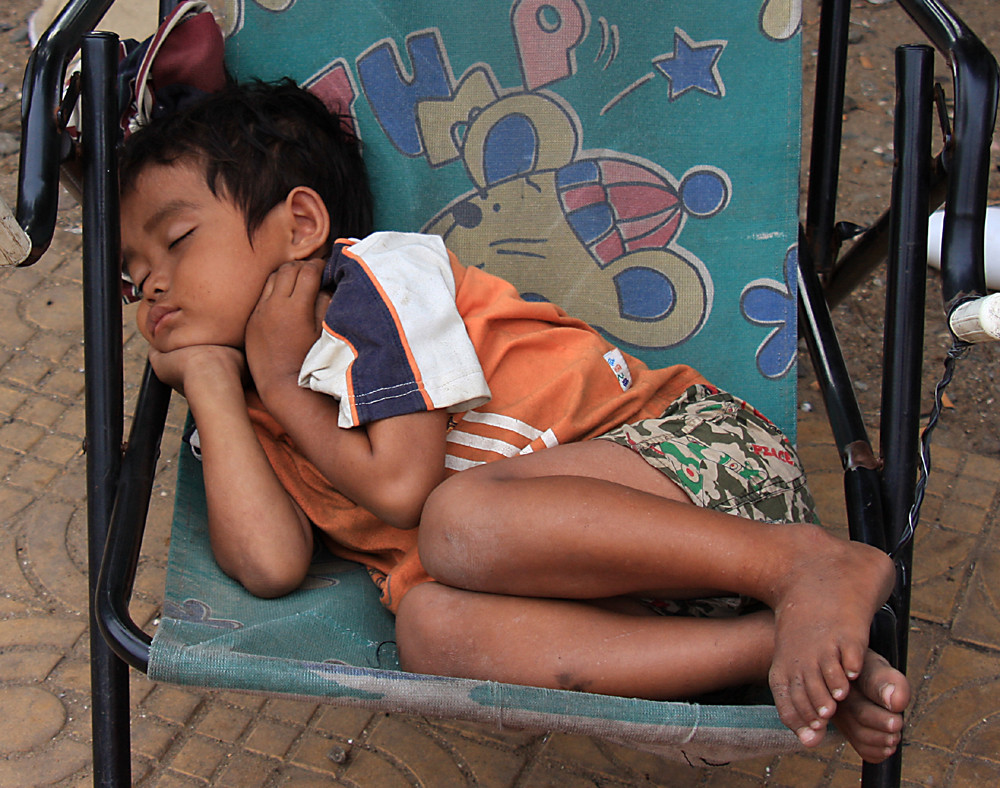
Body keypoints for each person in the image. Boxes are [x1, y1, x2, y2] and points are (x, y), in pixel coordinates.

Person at [118, 79, 910, 763]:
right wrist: (220, 387)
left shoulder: (371, 284)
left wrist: (289, 384)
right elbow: (268, 564)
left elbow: (401, 488)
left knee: (457, 520)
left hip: (702, 467)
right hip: (626, 598)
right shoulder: (254, 405)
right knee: (428, 630)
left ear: (300, 226)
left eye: (177, 241)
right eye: (132, 277)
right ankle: (786, 648)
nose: (150, 287)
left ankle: (801, 563)